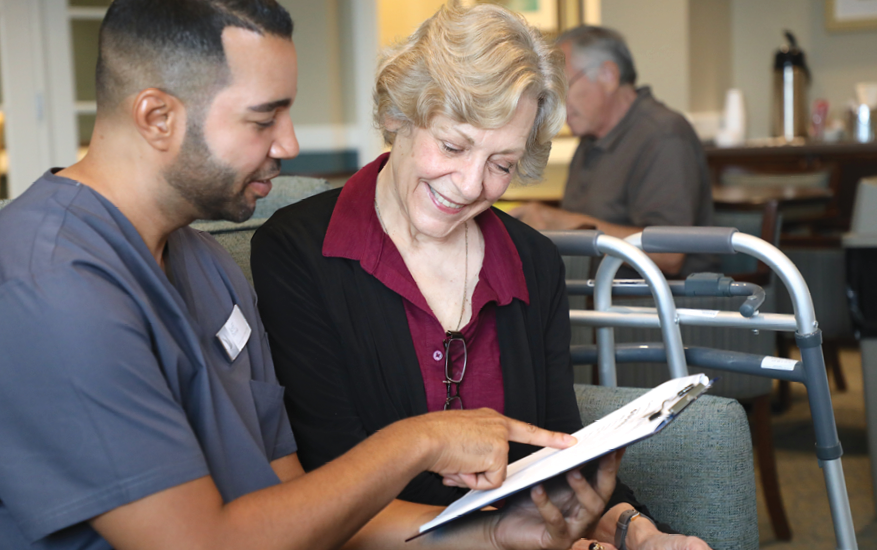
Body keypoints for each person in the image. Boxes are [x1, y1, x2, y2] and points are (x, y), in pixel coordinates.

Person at [0, 1, 620, 549]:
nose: (291, 142)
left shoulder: (209, 269)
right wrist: (423, 441)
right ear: (158, 117)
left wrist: (491, 533)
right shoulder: (52, 284)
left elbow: (307, 513)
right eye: (263, 118)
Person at [251, 5, 709, 550]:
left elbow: (558, 455)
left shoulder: (532, 262)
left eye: (502, 164)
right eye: (453, 145)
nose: (470, 185)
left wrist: (638, 532)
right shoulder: (299, 251)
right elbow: (329, 487)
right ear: (400, 115)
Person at [510, 26, 715, 278]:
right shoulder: (589, 140)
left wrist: (566, 223)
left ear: (608, 75)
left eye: (563, 87)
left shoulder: (663, 136)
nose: (556, 104)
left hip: (655, 305)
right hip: (595, 297)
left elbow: (669, 255)